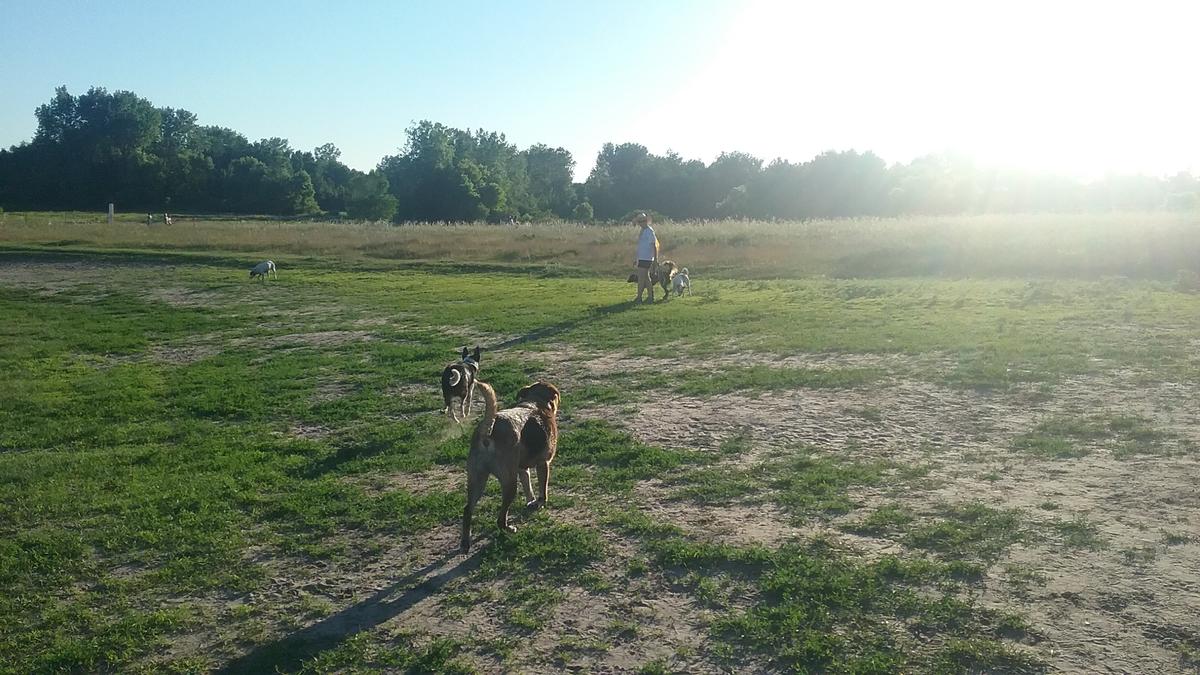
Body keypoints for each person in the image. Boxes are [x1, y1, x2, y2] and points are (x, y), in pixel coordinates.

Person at [632, 212, 659, 303]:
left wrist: (655, 259)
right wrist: (637, 259)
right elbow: (641, 246)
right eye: (640, 221)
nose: (642, 223)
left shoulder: (649, 231)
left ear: (646, 221)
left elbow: (654, 246)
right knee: (646, 278)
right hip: (642, 258)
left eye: (643, 220)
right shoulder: (642, 231)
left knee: (641, 278)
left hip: (647, 258)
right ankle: (650, 297)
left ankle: (639, 297)